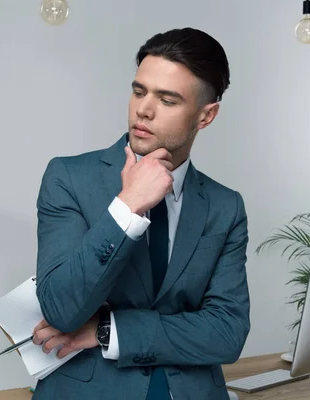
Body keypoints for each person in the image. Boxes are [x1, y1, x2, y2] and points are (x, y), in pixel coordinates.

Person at [31, 27, 250, 400]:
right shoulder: (67, 177)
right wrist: (128, 206)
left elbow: (227, 333)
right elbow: (61, 309)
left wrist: (110, 330)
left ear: (206, 116)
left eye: (167, 100)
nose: (143, 110)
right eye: (138, 91)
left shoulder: (225, 206)